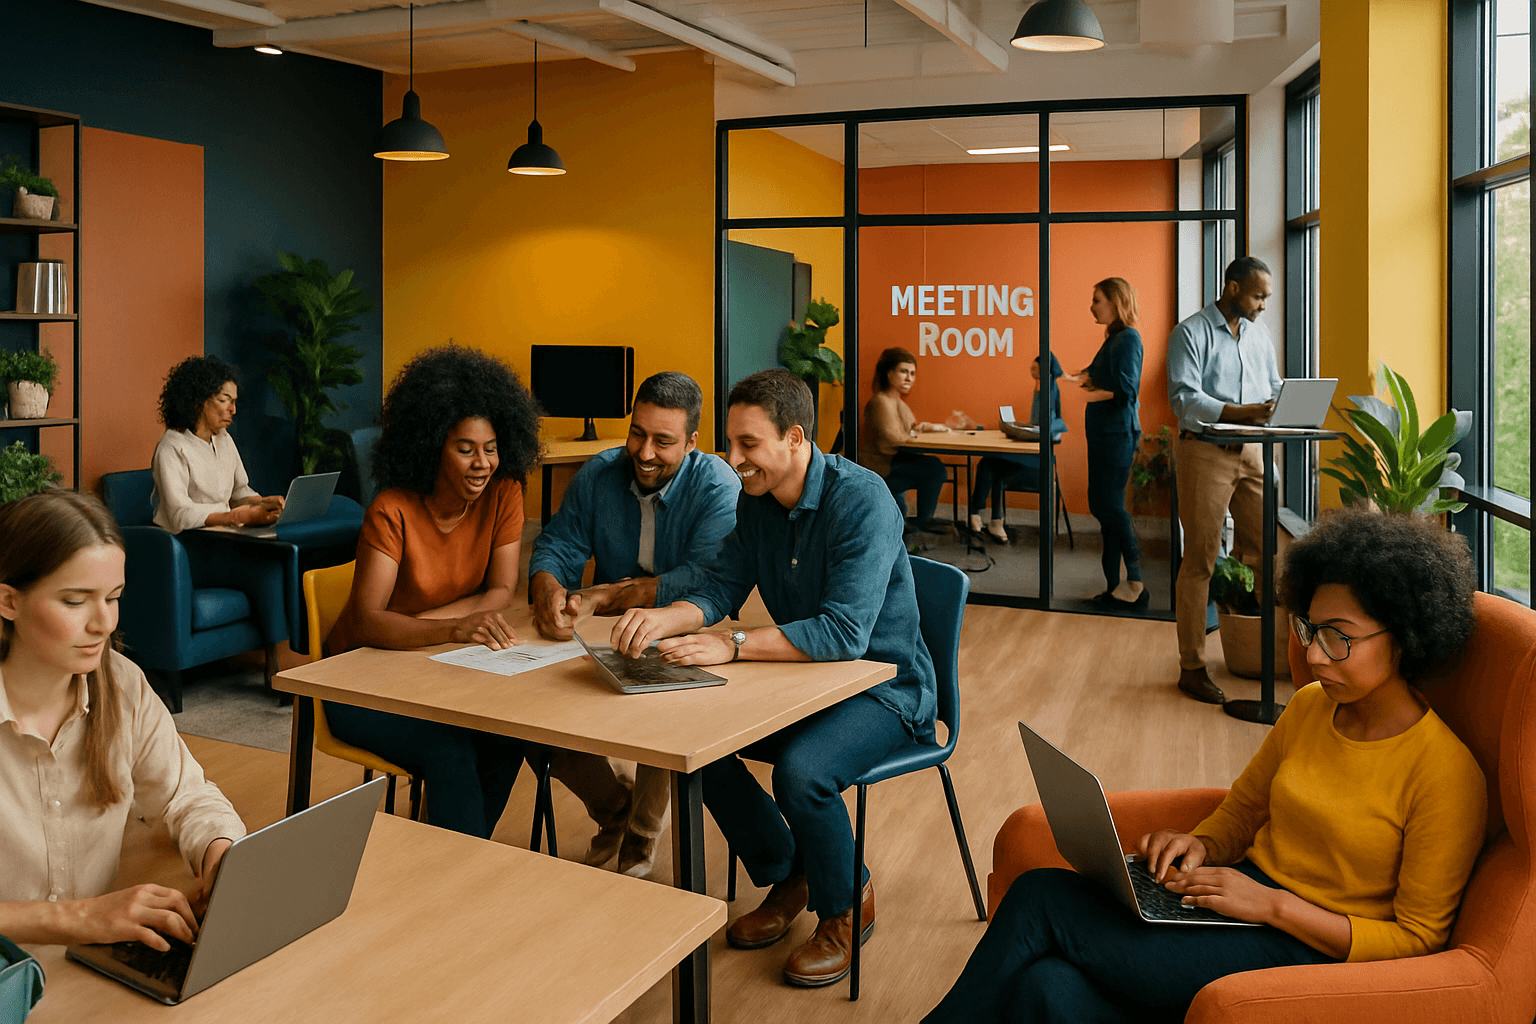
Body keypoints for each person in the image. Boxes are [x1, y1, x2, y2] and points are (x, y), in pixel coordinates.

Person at [923, 508, 1487, 1023]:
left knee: (1041, 899)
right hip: (1235, 905)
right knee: (1046, 989)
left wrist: (1273, 906)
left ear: (1405, 637)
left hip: (1306, 949)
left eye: (1340, 638)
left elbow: (1418, 940)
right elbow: (1242, 811)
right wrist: (1200, 843)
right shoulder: (1313, 706)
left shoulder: (1444, 772)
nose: (1314, 655)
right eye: (1311, 630)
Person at [609, 369, 937, 988]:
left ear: (794, 438)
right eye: (730, 443)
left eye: (747, 444)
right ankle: (793, 870)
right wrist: (662, 618)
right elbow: (721, 586)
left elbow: (846, 634)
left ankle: (847, 904)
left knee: (802, 773)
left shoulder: (862, 499)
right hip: (806, 685)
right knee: (695, 747)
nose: (732, 460)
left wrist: (731, 644)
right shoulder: (756, 500)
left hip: (886, 689)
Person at [0, 490, 246, 951]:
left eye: (113, 598)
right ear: (9, 601)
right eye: (75, 601)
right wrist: (78, 918)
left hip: (85, 965)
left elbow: (186, 796)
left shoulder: (121, 683)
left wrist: (222, 854)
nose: (104, 623)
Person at [527, 371, 740, 877]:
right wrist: (548, 590)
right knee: (527, 712)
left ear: (692, 442)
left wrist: (609, 594)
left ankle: (642, 833)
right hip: (601, 629)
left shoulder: (718, 485)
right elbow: (556, 544)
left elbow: (703, 577)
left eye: (663, 441)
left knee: (667, 702)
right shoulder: (600, 473)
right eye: (637, 434)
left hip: (682, 626)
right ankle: (613, 807)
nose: (644, 453)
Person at [325, 345, 539, 839]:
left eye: (491, 448)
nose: (482, 463)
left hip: (432, 669)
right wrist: (454, 627)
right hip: (357, 682)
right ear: (431, 445)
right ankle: (459, 865)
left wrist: (430, 626)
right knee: (450, 747)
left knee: (509, 733)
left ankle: (458, 854)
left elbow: (502, 590)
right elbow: (367, 621)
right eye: (465, 449)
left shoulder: (504, 492)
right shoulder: (392, 510)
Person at [1166, 256, 1282, 703]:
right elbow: (1185, 399)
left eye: (1266, 298)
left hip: (1255, 452)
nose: (1263, 306)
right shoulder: (1190, 333)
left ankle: (1263, 654)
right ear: (1233, 288)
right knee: (1200, 559)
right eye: (1258, 296)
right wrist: (1245, 412)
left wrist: (1284, 405)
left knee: (1266, 553)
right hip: (1206, 452)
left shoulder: (1258, 335)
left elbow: (1272, 386)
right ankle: (1192, 667)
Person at [150, 354, 291, 661]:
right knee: (267, 571)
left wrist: (266, 502)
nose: (233, 410)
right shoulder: (171, 447)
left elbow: (240, 492)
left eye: (234, 401)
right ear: (199, 401)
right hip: (187, 550)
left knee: (278, 565)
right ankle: (278, 663)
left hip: (224, 543)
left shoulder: (224, 440)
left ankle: (279, 660)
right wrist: (237, 516)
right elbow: (179, 513)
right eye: (225, 400)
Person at [1078, 277, 1146, 608]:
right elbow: (1097, 374)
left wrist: (1093, 391)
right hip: (1105, 435)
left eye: (1097, 300)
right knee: (1102, 507)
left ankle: (1135, 582)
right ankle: (1114, 587)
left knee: (1110, 507)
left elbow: (1126, 390)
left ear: (1115, 302)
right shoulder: (1114, 339)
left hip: (1117, 435)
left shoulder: (1128, 338)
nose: (1092, 306)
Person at [967, 355, 1068, 544]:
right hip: (1033, 452)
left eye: (1034, 369)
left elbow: (1049, 426)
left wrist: (1028, 431)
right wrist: (1023, 428)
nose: (1031, 371)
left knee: (989, 463)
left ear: (1044, 370)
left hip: (1038, 460)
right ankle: (991, 520)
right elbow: (1037, 423)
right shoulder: (1040, 389)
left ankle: (977, 514)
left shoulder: (1049, 390)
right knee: (990, 463)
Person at [861, 347, 951, 536]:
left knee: (933, 466)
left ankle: (918, 521)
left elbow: (910, 429)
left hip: (895, 460)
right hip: (881, 467)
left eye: (912, 373)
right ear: (889, 374)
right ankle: (921, 522)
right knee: (935, 469)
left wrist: (930, 428)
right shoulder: (880, 401)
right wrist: (918, 435)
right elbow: (893, 437)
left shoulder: (899, 403)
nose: (909, 378)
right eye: (903, 372)